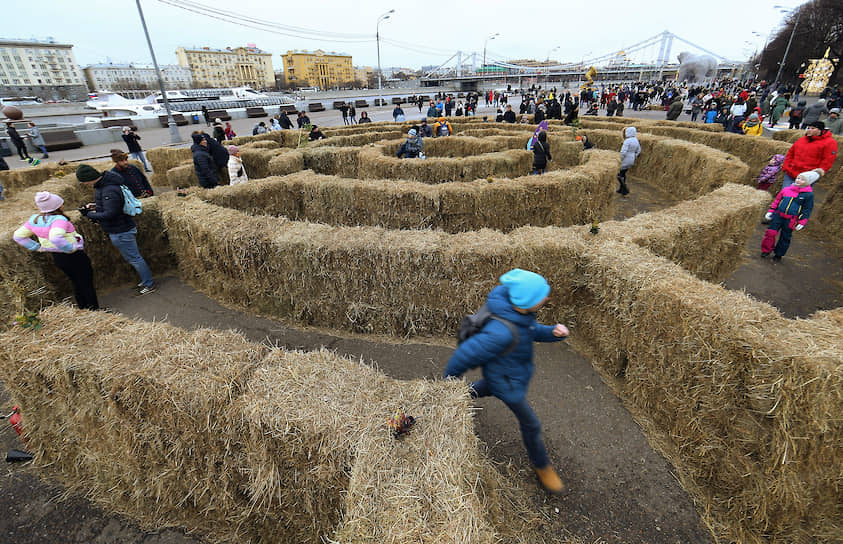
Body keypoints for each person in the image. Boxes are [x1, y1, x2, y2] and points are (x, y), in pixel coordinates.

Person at [443, 268, 570, 494]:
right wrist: (445, 387)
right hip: (508, 384)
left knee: (482, 388)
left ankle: (461, 396)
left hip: (503, 375)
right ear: (526, 302)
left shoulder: (520, 315)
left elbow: (532, 331)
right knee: (531, 424)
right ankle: (542, 467)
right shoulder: (502, 332)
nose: (546, 299)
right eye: (542, 296)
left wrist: (553, 333)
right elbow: (464, 355)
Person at [75, 164, 156, 295]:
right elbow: (112, 205)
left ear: (88, 179)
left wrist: (88, 214)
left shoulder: (108, 190)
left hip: (120, 230)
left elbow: (110, 213)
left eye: (83, 181)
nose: (83, 184)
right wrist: (95, 206)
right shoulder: (105, 186)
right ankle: (145, 280)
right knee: (133, 258)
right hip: (120, 228)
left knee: (135, 258)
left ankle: (149, 284)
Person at [14, 191, 99, 310]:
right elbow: (55, 237)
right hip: (74, 256)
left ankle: (84, 307)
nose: (63, 205)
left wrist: (37, 247)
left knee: (76, 282)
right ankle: (94, 309)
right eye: (61, 204)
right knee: (86, 282)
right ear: (57, 207)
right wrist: (70, 248)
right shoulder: (59, 219)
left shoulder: (35, 219)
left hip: (58, 257)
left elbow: (18, 236)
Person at [761, 171, 816, 263]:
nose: (799, 180)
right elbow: (777, 201)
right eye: (798, 178)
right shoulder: (786, 190)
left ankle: (778, 254)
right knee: (770, 232)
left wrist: (802, 221)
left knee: (785, 237)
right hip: (778, 215)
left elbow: (807, 209)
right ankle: (766, 250)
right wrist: (771, 211)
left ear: (808, 182)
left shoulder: (808, 195)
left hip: (791, 219)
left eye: (802, 180)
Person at [781, 121, 838, 188]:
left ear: (820, 130)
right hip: (791, 171)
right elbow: (790, 153)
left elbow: (828, 160)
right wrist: (786, 166)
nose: (809, 130)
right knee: (786, 193)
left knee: (800, 196)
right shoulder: (802, 140)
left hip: (807, 175)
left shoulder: (830, 143)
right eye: (808, 128)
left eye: (813, 128)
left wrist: (817, 173)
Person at [617, 127, 640, 196]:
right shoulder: (636, 140)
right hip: (631, 159)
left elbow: (623, 152)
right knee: (623, 173)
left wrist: (620, 159)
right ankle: (621, 189)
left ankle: (624, 188)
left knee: (619, 174)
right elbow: (639, 150)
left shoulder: (627, 141)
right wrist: (634, 156)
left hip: (625, 159)